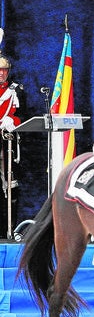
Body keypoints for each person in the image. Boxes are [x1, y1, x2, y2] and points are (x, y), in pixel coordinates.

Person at [0, 53, 25, 236]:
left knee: (11, 187)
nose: (1, 73)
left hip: (7, 144)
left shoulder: (16, 91)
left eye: (4, 70)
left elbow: (24, 116)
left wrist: (13, 120)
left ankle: (10, 228)